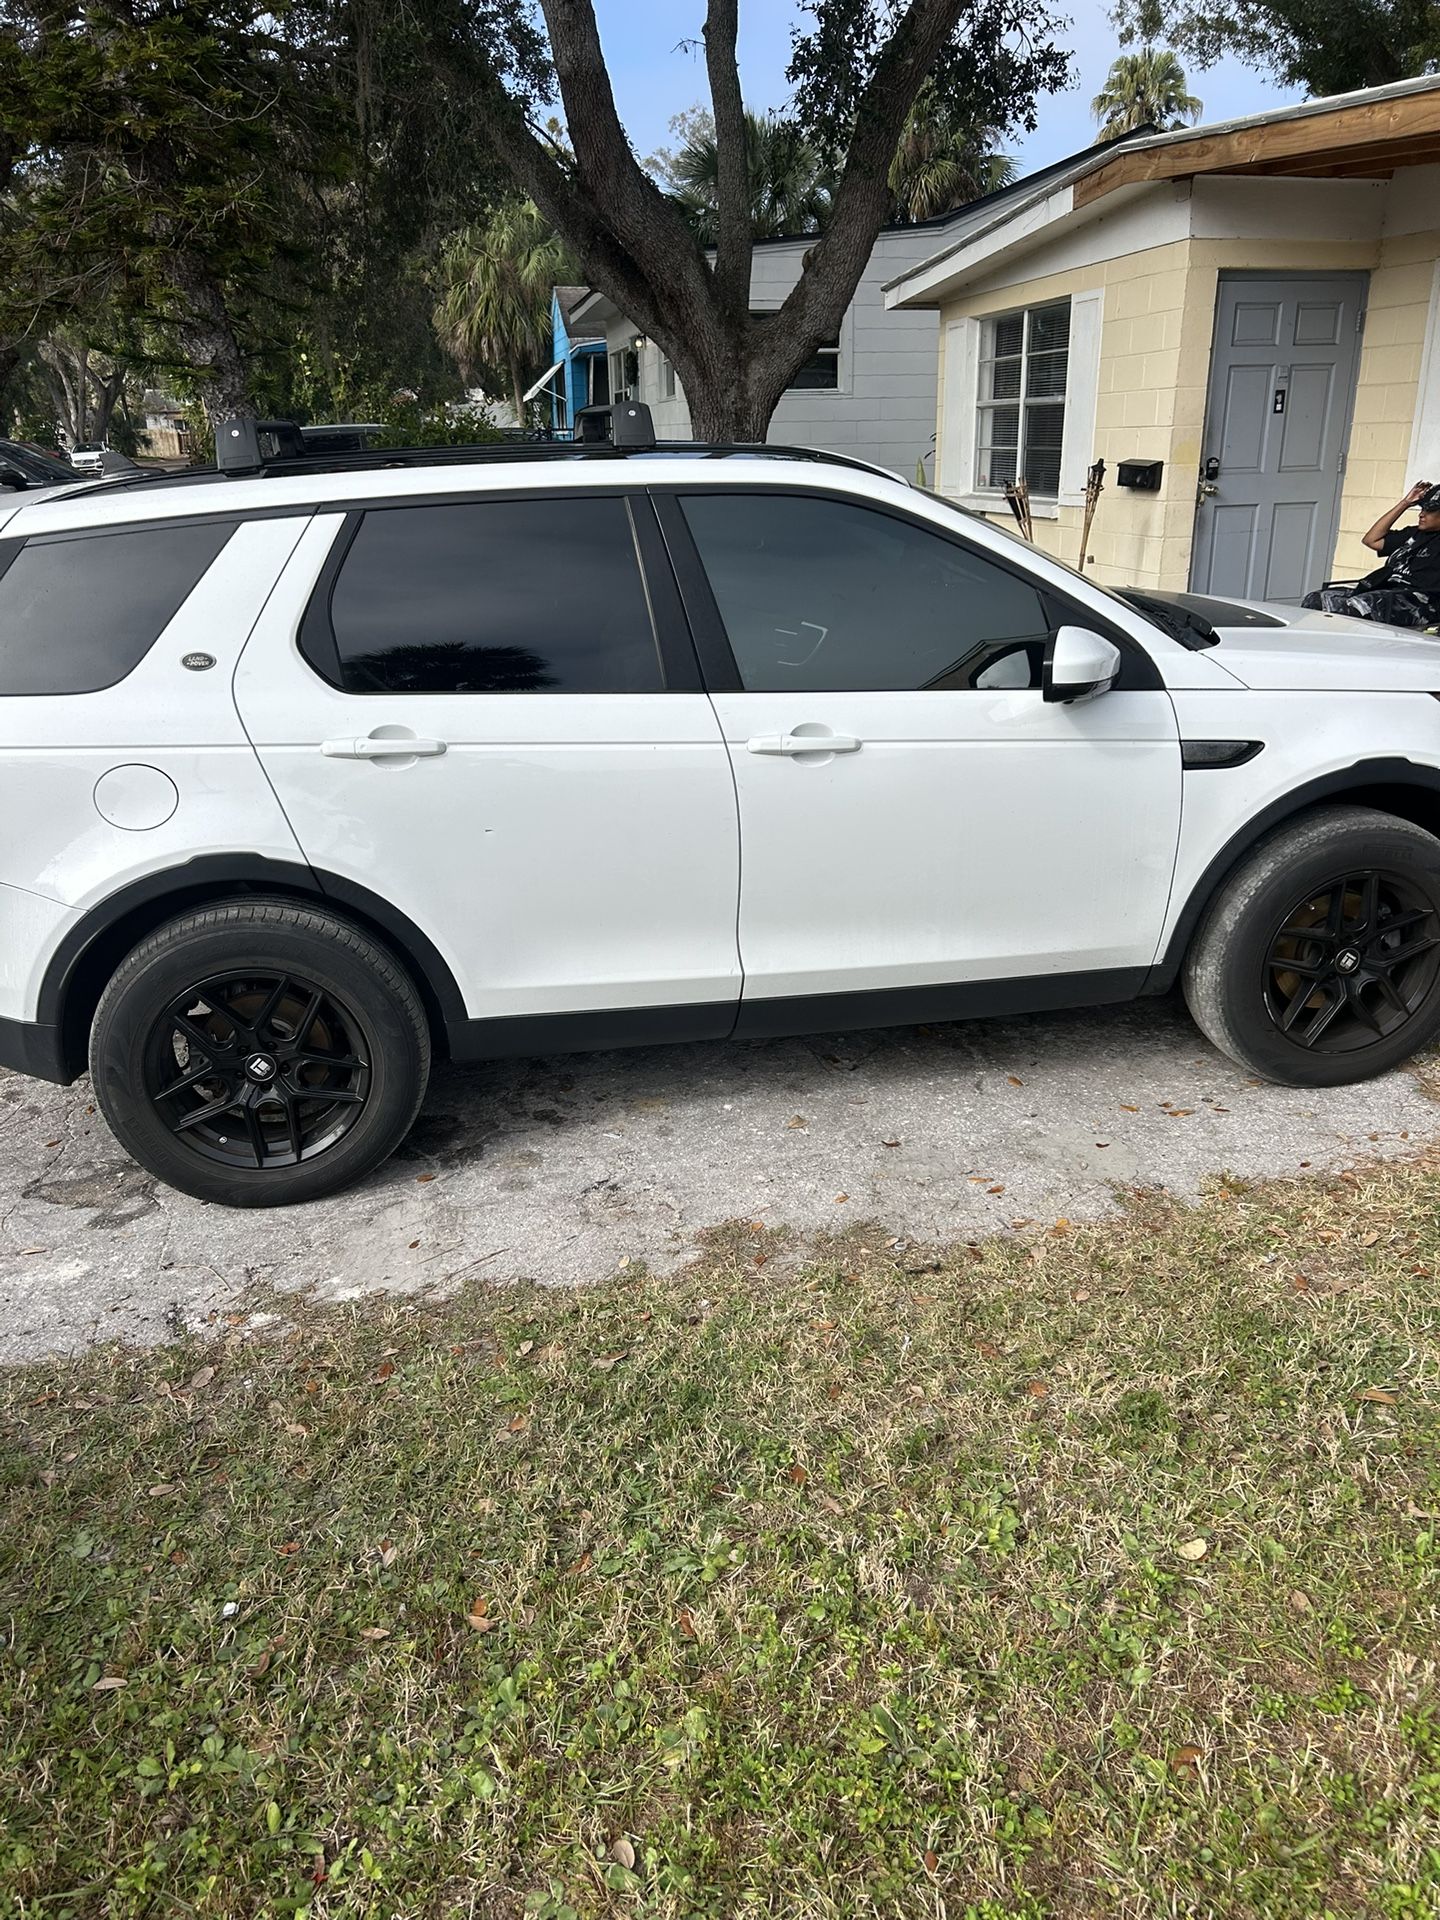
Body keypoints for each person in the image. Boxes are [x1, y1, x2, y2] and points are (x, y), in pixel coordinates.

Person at [1301, 481, 1440, 628]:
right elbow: (1372, 540)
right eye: (1422, 508)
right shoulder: (1414, 533)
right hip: (1385, 589)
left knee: (1358, 607)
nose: (1421, 514)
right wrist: (1404, 504)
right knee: (1316, 599)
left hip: (1421, 601)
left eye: (1430, 510)